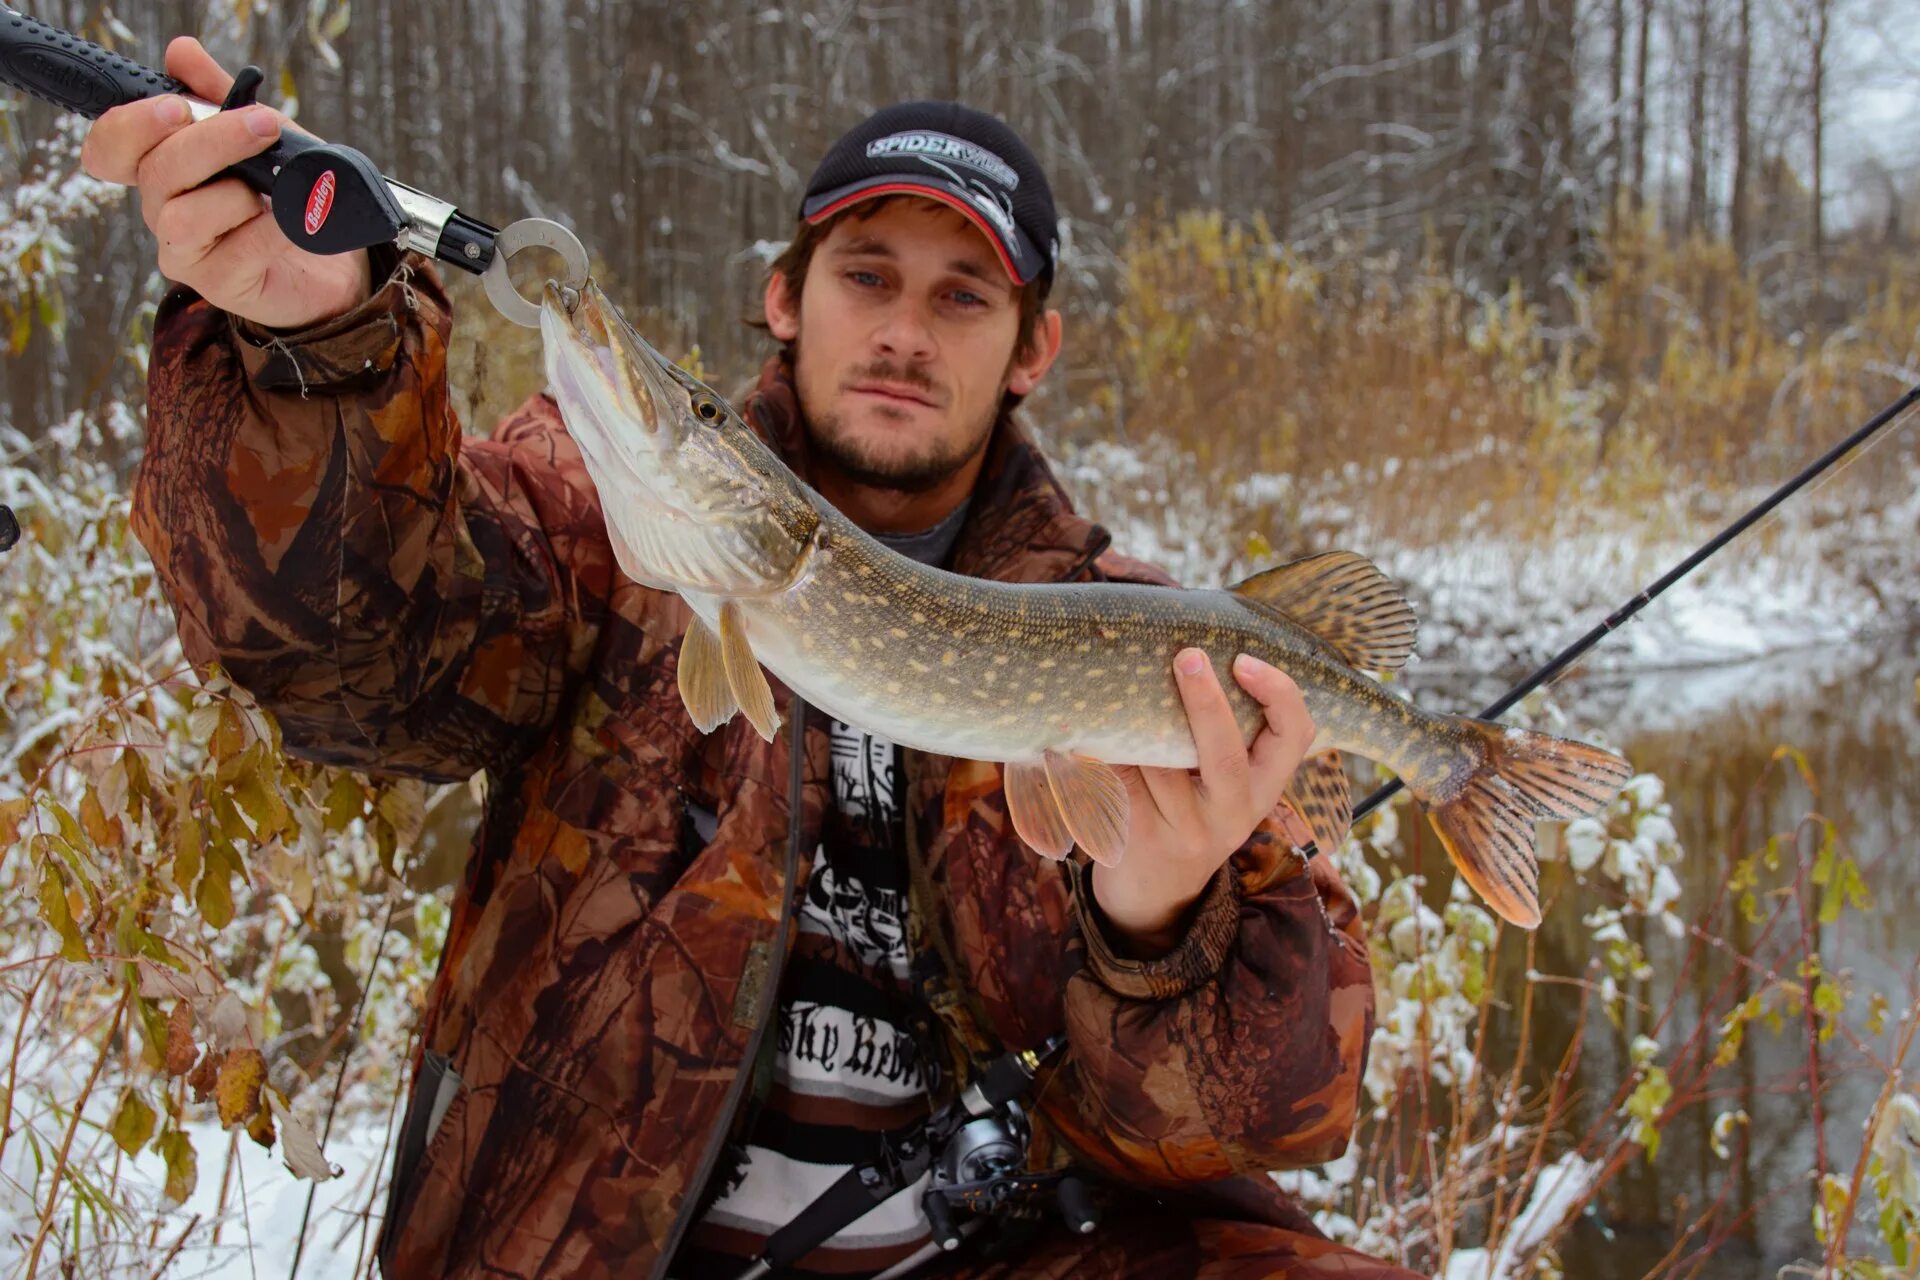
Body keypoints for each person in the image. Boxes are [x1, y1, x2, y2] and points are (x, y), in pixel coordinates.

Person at [84, 35, 1422, 1280]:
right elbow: (345, 665)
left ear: (1035, 351)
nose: (905, 331)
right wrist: (315, 346)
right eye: (866, 276)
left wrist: (1164, 908)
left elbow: (1260, 1116)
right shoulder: (597, 532)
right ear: (782, 296)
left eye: (965, 295)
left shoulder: (1142, 637)